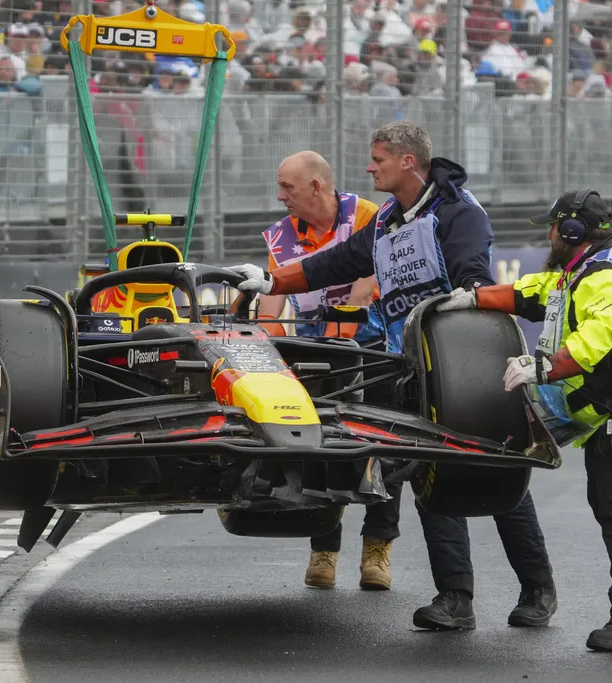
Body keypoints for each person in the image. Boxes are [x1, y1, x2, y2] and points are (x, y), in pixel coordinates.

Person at [229, 121, 558, 630]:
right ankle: (455, 598)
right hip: (411, 367)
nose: (368, 167)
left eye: (378, 158)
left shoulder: (458, 211)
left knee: (496, 471)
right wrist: (274, 278)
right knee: (431, 475)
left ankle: (537, 589)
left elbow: (474, 276)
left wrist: (466, 293)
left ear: (407, 162)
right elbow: (335, 262)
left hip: (468, 366)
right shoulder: (386, 220)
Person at [436, 187, 612, 652]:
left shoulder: (610, 276)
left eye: (552, 227)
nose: (548, 235)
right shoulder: (580, 270)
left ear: (572, 231)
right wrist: (471, 299)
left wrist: (542, 367)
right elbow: (528, 293)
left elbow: (597, 339)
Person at [258, 150, 396, 592]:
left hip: (372, 349)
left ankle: (377, 549)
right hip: (317, 350)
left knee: (381, 447)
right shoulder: (281, 234)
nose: (281, 196)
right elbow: (273, 296)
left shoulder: (368, 215)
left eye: (288, 187)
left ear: (316, 186)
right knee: (316, 446)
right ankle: (324, 550)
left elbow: (365, 282)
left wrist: (342, 331)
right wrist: (260, 341)